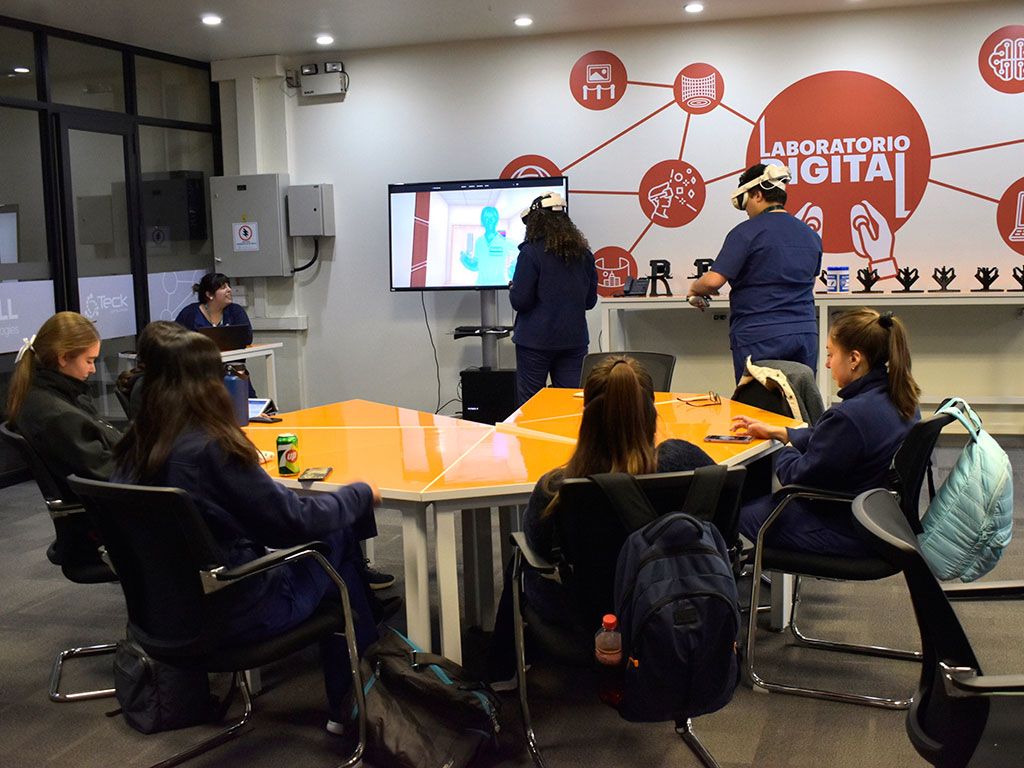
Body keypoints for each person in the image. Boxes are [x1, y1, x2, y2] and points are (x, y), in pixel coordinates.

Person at [111, 324, 392, 730]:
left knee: (336, 559)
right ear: (206, 384)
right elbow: (293, 523)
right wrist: (360, 494)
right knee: (337, 541)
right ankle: (362, 699)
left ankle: (362, 689)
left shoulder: (133, 446)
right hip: (236, 612)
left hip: (163, 616)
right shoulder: (211, 449)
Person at [486, 356, 714, 684]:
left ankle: (500, 672)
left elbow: (539, 549)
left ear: (586, 418)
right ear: (651, 413)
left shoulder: (559, 488)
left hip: (585, 617)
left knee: (519, 559)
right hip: (672, 604)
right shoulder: (685, 461)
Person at [733, 308, 920, 557]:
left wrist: (786, 449)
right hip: (878, 516)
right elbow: (839, 445)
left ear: (854, 359)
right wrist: (784, 433)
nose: (827, 363)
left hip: (846, 526)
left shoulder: (850, 416)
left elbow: (796, 476)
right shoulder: (900, 398)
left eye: (831, 354)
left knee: (734, 512)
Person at [687, 163, 822, 382]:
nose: (747, 210)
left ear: (757, 194)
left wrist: (694, 288)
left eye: (746, 202)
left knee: (757, 408)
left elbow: (712, 282)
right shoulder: (810, 235)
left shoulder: (745, 232)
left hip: (759, 335)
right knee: (798, 406)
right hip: (804, 334)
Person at [7, 311, 122, 494]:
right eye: (89, 361)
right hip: (111, 503)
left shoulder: (44, 395)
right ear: (62, 358)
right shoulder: (59, 415)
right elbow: (106, 471)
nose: (93, 369)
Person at [509, 192, 598, 405]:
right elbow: (589, 302)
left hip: (534, 343)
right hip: (573, 341)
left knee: (531, 407)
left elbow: (521, 301)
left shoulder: (530, 252)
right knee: (570, 406)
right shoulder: (583, 254)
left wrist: (513, 288)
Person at [174, 272, 254, 341]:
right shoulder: (190, 313)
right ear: (209, 294)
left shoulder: (236, 310)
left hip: (232, 358)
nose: (229, 290)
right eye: (223, 287)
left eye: (228, 286)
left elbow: (247, 338)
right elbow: (174, 339)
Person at [459, 205, 518, 286]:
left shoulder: (504, 241)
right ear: (482, 221)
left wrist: (514, 267)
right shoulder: (479, 242)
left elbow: (521, 250)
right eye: (486, 218)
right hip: (481, 284)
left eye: (492, 218)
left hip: (500, 284)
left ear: (496, 220)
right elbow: (476, 266)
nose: (489, 221)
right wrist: (464, 260)